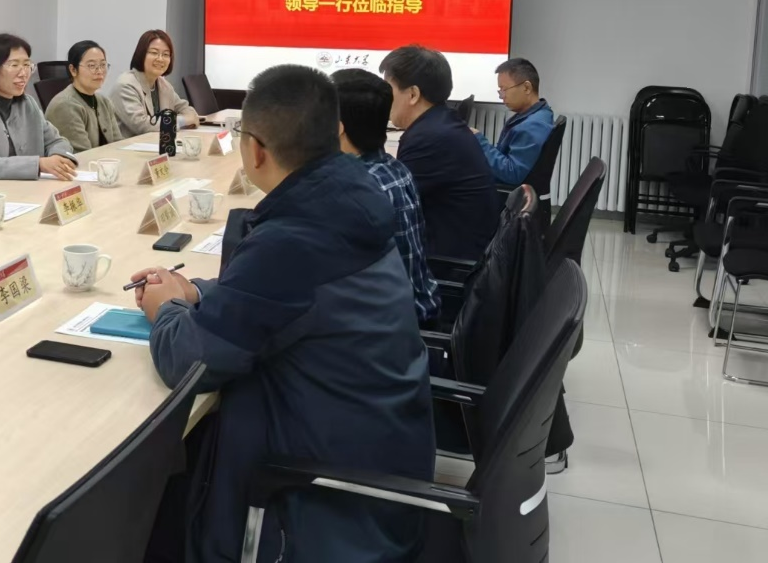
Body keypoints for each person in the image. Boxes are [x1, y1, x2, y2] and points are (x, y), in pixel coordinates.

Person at [130, 65, 434, 563]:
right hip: (375, 455)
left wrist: (165, 309)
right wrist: (199, 292)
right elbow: (288, 300)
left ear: (255, 150)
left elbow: (189, 362)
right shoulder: (346, 199)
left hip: (316, 503)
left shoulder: (294, 241)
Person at [332, 68, 440, 327]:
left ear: (337, 128)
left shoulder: (357, 192)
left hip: (396, 326)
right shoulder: (393, 167)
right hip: (416, 304)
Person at [380, 45, 498, 263]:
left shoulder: (428, 138)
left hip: (450, 261)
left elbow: (386, 207)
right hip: (463, 245)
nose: (384, 99)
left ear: (413, 94)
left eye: (389, 90)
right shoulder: (440, 123)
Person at [0, 34, 77, 181]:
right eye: (14, 65)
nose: (23, 73)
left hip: (31, 189)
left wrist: (57, 157)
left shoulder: (27, 104)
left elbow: (57, 141)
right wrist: (37, 165)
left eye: (27, 65)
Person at [477, 57, 555, 186]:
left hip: (499, 192)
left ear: (526, 88)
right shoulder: (540, 113)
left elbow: (513, 173)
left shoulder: (532, 126)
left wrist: (479, 142)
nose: (501, 96)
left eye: (504, 89)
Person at [110, 30, 199, 138]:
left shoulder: (164, 85)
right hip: (127, 146)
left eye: (165, 54)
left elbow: (188, 110)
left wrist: (188, 118)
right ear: (141, 54)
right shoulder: (125, 85)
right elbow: (142, 125)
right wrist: (182, 120)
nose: (160, 59)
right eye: (154, 53)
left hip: (156, 144)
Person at [45, 40, 123, 154]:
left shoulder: (104, 102)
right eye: (92, 66)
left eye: (103, 65)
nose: (100, 71)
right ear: (73, 70)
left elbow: (118, 144)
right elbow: (82, 155)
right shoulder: (65, 106)